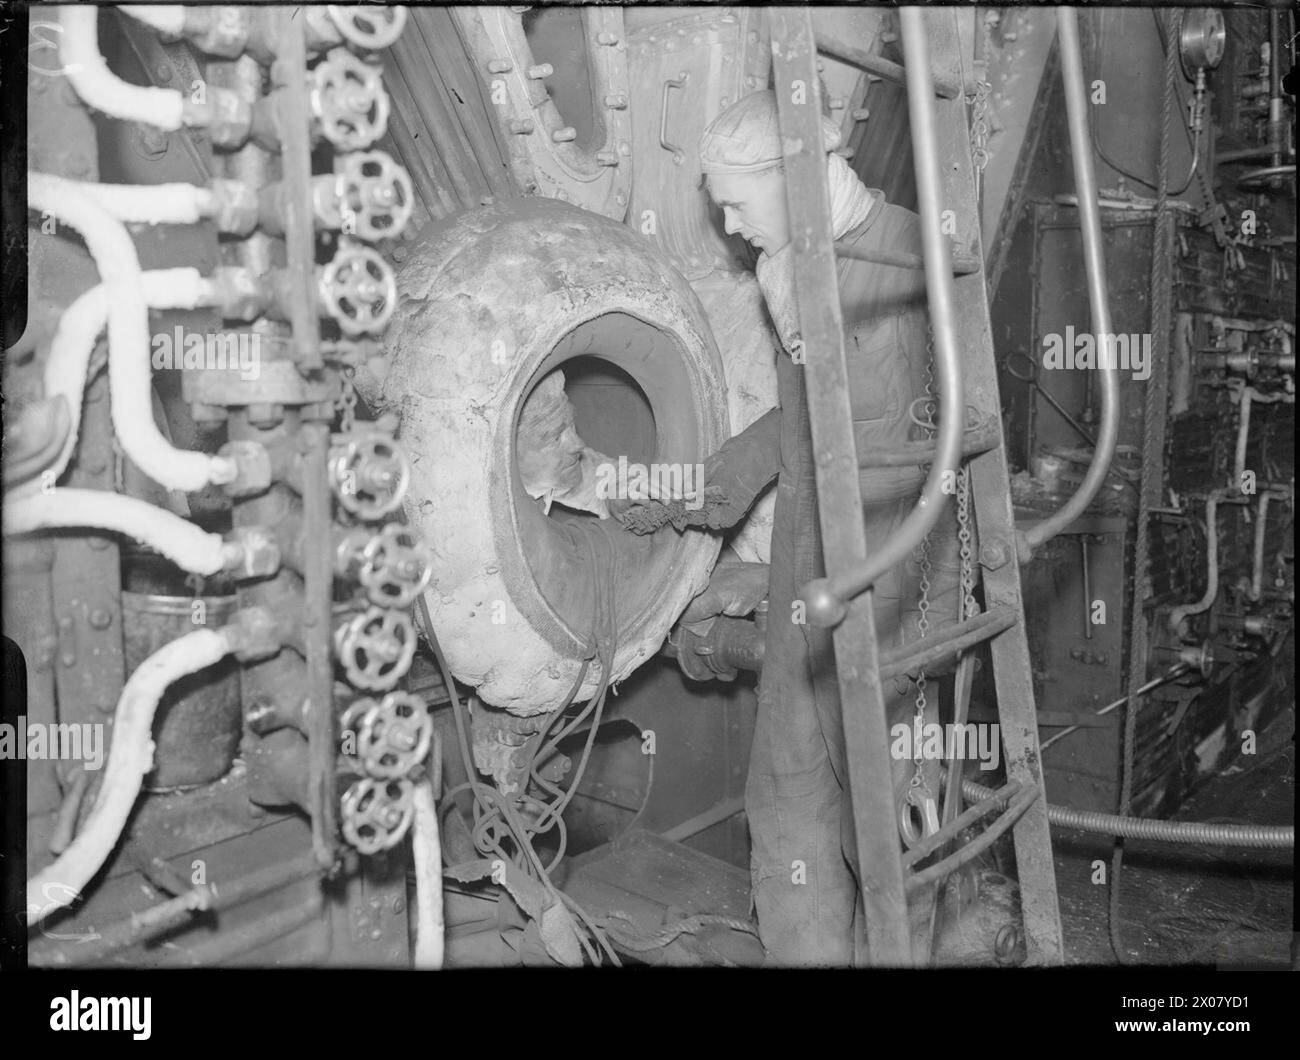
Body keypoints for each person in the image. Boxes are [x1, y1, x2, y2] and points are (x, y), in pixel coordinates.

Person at [685, 90, 961, 965]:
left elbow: (968, 437)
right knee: (790, 794)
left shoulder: (920, 254)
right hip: (808, 568)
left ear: (799, 175)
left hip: (894, 575)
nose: (728, 224)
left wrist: (942, 601)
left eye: (738, 200)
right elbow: (804, 419)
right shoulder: (783, 269)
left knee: (889, 825)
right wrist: (723, 477)